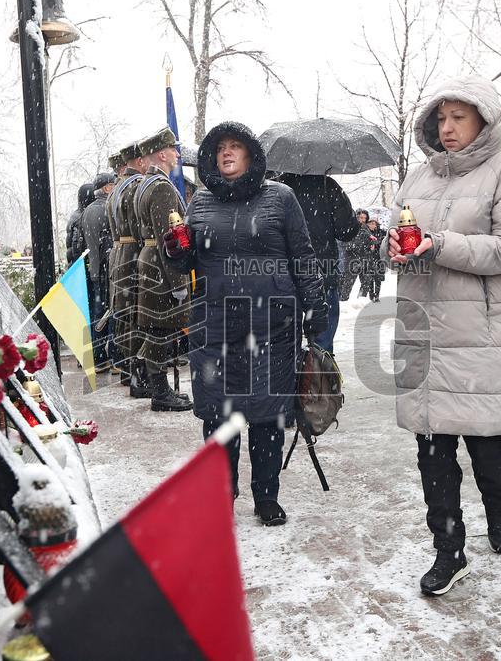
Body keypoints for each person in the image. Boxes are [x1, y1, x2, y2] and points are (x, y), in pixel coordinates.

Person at [384, 76, 501, 596]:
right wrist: (397, 247)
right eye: (441, 118)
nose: (447, 128)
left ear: (484, 121)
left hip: (482, 337)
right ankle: (448, 550)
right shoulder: (417, 177)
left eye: (459, 118)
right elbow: (400, 229)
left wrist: (438, 244)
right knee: (433, 451)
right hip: (423, 332)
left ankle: (498, 506)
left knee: (487, 453)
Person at [163, 121, 327, 526]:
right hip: (215, 326)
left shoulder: (281, 198)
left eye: (235, 146)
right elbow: (188, 262)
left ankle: (266, 496)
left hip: (272, 325)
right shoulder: (199, 203)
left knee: (267, 414)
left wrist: (315, 306)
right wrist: (176, 249)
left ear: (252, 154)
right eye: (220, 148)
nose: (227, 153)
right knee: (219, 416)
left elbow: (303, 256)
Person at [133, 127, 192, 412]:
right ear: (161, 153)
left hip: (150, 261)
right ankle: (160, 392)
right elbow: (168, 238)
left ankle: (156, 385)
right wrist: (179, 282)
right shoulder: (161, 187)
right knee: (161, 332)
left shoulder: (146, 183)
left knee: (156, 330)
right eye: (173, 149)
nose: (177, 154)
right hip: (160, 264)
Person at [277, 173, 359, 353]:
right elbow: (347, 231)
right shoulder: (327, 186)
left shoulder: (277, 187)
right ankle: (319, 376)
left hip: (284, 272)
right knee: (322, 342)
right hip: (322, 270)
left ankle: (290, 375)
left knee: (283, 341)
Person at [107, 142, 150, 395]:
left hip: (119, 253)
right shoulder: (134, 187)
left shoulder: (116, 188)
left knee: (124, 314)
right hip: (132, 253)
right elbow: (138, 227)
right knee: (135, 316)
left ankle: (127, 371)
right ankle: (137, 376)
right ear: (139, 161)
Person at [74, 172, 117, 374]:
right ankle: (101, 356)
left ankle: (101, 356)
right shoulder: (101, 210)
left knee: (102, 313)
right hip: (103, 271)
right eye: (113, 184)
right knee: (103, 314)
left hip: (100, 270)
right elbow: (93, 246)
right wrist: (97, 272)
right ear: (106, 188)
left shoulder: (92, 210)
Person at [340, 209, 369, 301]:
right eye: (361, 217)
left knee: (366, 281)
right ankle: (343, 301)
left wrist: (371, 243)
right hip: (351, 259)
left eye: (365, 218)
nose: (363, 220)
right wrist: (358, 244)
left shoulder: (366, 229)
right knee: (348, 283)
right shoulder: (350, 228)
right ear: (357, 217)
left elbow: (368, 242)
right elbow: (345, 243)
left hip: (364, 259)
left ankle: (361, 300)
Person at [65, 182, 95, 266]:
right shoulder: (82, 218)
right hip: (82, 267)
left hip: (77, 265)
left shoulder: (76, 215)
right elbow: (77, 247)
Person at [363, 217, 384, 302]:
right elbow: (364, 244)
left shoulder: (380, 232)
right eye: (370, 223)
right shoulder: (366, 233)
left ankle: (377, 296)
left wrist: (376, 242)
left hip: (379, 258)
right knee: (370, 278)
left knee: (378, 279)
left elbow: (382, 242)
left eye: (373, 223)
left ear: (376, 225)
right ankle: (371, 296)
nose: (372, 225)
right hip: (369, 258)